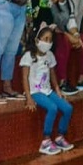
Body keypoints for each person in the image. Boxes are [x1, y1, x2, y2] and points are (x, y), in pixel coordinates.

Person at [20, 22, 75, 156]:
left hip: (48, 90)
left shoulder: (50, 55)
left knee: (68, 108)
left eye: (50, 40)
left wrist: (57, 90)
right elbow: (24, 77)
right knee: (52, 108)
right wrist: (29, 98)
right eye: (45, 39)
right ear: (37, 40)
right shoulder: (29, 56)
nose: (48, 42)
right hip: (35, 91)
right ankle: (45, 140)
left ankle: (60, 136)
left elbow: (52, 74)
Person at [50, 0, 83, 95]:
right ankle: (62, 81)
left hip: (63, 33)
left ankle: (81, 79)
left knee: (82, 40)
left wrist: (76, 35)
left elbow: (71, 21)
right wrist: (68, 36)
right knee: (64, 40)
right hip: (50, 34)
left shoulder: (69, 2)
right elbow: (51, 23)